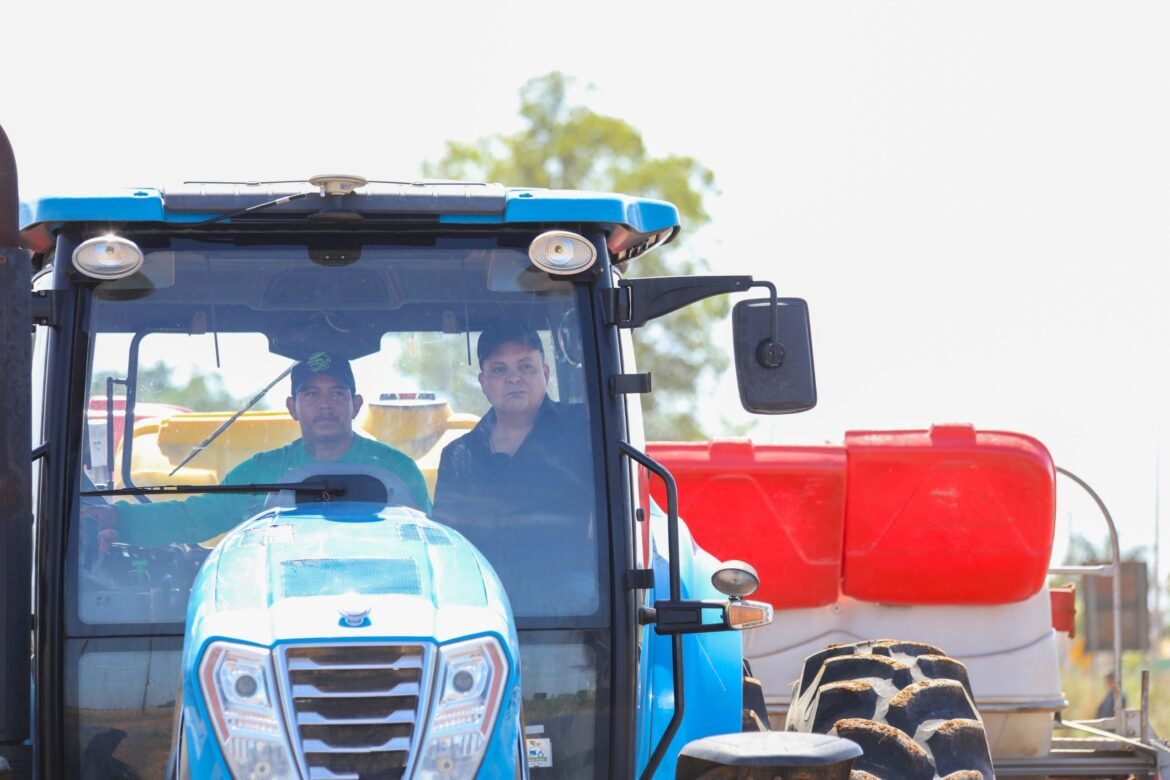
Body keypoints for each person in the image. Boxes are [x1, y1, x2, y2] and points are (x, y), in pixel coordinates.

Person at [87, 350, 431, 549]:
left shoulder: (398, 470)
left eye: (337, 393)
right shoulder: (260, 471)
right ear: (293, 407)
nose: (325, 404)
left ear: (355, 405)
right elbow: (198, 517)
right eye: (311, 394)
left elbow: (428, 542)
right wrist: (121, 518)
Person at [431, 323, 596, 615]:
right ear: (483, 383)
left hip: (574, 613)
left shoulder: (587, 430)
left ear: (545, 373)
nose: (514, 378)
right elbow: (450, 548)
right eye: (499, 370)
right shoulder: (458, 456)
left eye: (526, 366)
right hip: (486, 605)